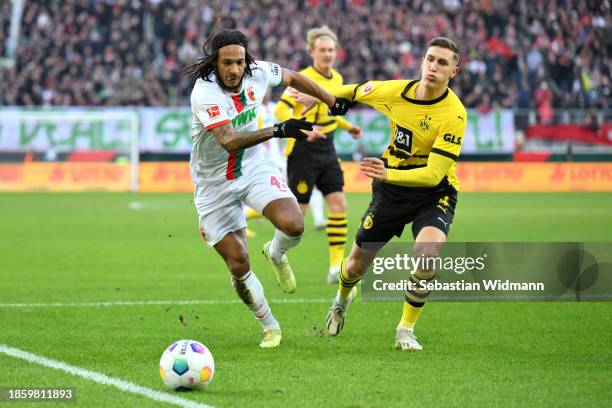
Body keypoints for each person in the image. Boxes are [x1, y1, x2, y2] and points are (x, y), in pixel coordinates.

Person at [183, 26, 347, 348]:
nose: (234, 70)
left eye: (239, 62)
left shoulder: (258, 72)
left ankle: (275, 252)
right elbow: (228, 140)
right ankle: (270, 326)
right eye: (226, 63)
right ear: (214, 62)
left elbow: (294, 77)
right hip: (214, 184)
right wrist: (279, 129)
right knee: (238, 262)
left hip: (254, 167)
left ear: (247, 61)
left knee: (294, 224)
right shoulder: (204, 93)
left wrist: (329, 99)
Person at [324, 37, 468, 351]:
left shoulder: (454, 114)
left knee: (427, 254)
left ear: (453, 72)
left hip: (434, 192)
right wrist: (322, 98)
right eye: (430, 59)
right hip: (391, 195)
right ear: (422, 60)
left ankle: (406, 329)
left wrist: (387, 172)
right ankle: (341, 301)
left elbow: (432, 175)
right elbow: (351, 91)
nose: (434, 66)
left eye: (442, 63)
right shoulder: (393, 91)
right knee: (354, 268)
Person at [274, 25, 363, 284]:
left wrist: (348, 126)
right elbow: (280, 112)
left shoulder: (336, 78)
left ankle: (336, 266)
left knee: (338, 204)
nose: (328, 54)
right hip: (303, 150)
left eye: (331, 50)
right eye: (322, 50)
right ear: (312, 51)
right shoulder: (301, 77)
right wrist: (305, 130)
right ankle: (277, 252)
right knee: (296, 216)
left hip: (328, 148)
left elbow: (330, 113)